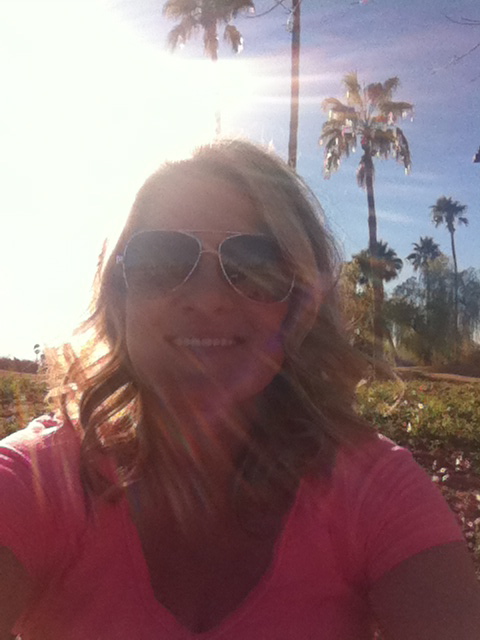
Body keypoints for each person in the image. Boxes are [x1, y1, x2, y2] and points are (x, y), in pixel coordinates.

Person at [1, 139, 479, 640]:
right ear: (118, 296)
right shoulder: (38, 481)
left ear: (302, 305)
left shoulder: (375, 491)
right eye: (161, 260)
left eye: (255, 267)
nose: (209, 299)